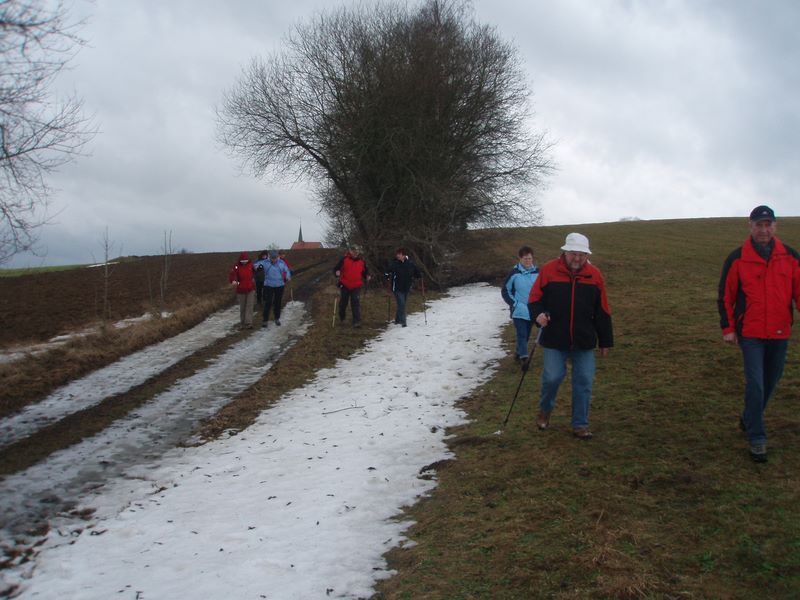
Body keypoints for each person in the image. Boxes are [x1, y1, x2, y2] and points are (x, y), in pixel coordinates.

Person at [717, 205, 800, 463]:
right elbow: (725, 297)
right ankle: (757, 437)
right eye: (758, 225)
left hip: (780, 330)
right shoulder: (737, 258)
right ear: (750, 226)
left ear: (775, 226)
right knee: (756, 383)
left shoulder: (790, 256)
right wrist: (728, 329)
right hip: (750, 333)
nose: (763, 230)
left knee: (771, 381)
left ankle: (749, 417)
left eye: (768, 224)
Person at [528, 233, 613, 439]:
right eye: (574, 253)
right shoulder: (549, 270)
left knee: (584, 381)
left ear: (587, 255)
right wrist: (538, 315)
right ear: (565, 252)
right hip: (554, 338)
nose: (577, 258)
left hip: (584, 340)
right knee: (552, 378)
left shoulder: (594, 275)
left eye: (582, 255)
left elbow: (602, 310)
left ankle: (580, 424)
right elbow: (534, 299)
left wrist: (605, 341)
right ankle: (545, 410)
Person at [501, 245, 539, 363]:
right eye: (525, 259)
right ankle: (524, 357)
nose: (528, 261)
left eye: (529, 258)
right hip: (519, 310)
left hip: (533, 309)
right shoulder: (514, 273)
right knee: (521, 333)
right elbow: (505, 290)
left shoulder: (538, 273)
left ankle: (518, 353)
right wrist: (514, 303)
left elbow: (543, 289)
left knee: (526, 335)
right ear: (520, 259)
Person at [385, 247, 421, 327]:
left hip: (406, 287)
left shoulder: (410, 264)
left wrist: (419, 275)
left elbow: (417, 273)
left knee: (401, 304)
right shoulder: (394, 264)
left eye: (399, 254)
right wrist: (387, 276)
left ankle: (397, 320)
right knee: (402, 304)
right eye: (397, 254)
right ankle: (403, 321)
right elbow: (387, 271)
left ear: (404, 255)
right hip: (397, 288)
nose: (398, 255)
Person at [334, 246, 370, 327]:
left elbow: (365, 272)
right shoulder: (344, 259)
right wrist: (337, 272)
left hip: (356, 286)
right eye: (353, 251)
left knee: (355, 303)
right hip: (345, 285)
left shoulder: (362, 261)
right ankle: (342, 318)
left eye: (356, 251)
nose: (355, 252)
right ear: (350, 251)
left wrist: (367, 276)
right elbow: (336, 268)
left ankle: (356, 321)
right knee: (343, 303)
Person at [254, 250, 291, 327]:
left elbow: (287, 270)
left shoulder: (281, 263)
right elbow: (256, 265)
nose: (274, 259)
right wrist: (258, 267)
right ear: (269, 257)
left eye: (275, 258)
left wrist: (288, 276)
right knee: (268, 302)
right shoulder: (265, 262)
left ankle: (277, 318)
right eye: (272, 258)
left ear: (277, 257)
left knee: (278, 302)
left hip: (279, 285)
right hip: (268, 285)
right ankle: (265, 320)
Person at [228, 252, 256, 329]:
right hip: (241, 289)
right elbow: (232, 274)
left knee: (249, 306)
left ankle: (248, 323)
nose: (244, 262)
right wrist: (233, 280)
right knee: (243, 307)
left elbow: (255, 272)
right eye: (243, 261)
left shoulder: (251, 265)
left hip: (251, 288)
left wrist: (254, 278)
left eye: (245, 260)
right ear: (240, 260)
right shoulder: (236, 266)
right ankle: (242, 323)